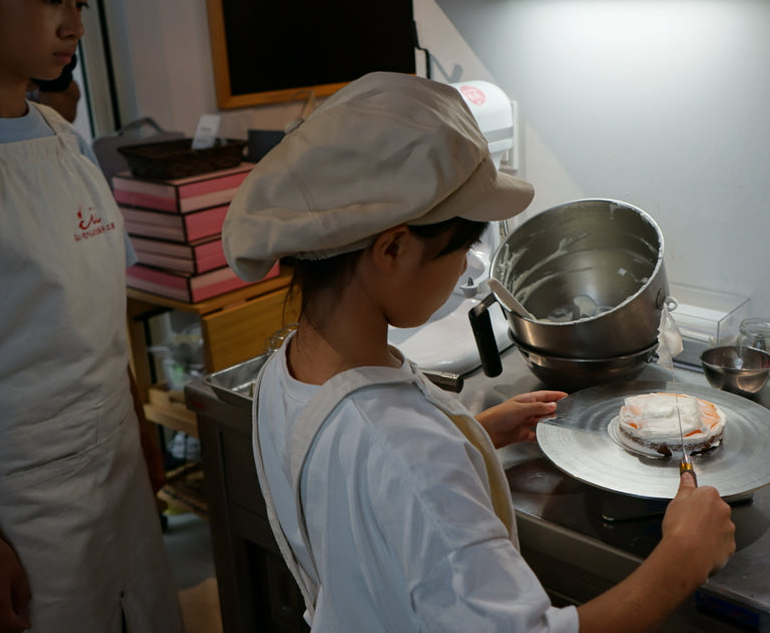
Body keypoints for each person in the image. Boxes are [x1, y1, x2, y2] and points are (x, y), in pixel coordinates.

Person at [221, 72, 736, 632]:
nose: (469, 266)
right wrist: (681, 561)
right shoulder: (412, 457)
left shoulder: (288, 371)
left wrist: (471, 434)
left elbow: (360, 492)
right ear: (391, 248)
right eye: (462, 246)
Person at [0, 0, 184, 632]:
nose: (74, 24)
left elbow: (96, 306)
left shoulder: (61, 136)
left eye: (78, 2)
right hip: (16, 506)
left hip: (114, 473)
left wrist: (139, 422)